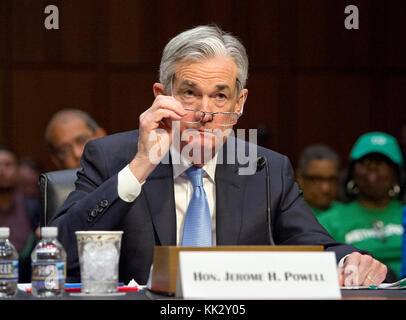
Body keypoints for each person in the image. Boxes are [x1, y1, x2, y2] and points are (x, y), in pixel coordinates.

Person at [50, 25, 388, 287]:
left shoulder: (266, 169)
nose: (205, 112)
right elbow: (57, 258)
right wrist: (139, 168)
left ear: (239, 103)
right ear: (161, 96)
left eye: (220, 96)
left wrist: (350, 261)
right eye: (190, 93)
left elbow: (318, 247)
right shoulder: (111, 157)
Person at [319, 132, 404, 281]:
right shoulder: (330, 220)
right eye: (365, 161)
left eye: (382, 162)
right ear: (352, 172)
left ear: (396, 174)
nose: (373, 167)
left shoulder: (403, 213)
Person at [0, 147, 40, 282]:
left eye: (7, 165)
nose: (2, 171)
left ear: (18, 170)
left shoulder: (34, 208)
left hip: (28, 283)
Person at [296, 145, 343, 218]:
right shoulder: (287, 217)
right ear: (300, 178)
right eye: (316, 179)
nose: (326, 189)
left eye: (331, 180)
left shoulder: (349, 214)